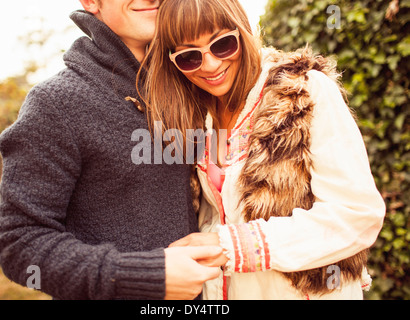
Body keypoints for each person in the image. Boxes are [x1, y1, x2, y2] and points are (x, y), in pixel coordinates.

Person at [140, 0, 386, 299]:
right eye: (190, 57)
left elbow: (357, 214)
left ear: (242, 31)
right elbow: (219, 214)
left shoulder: (304, 92)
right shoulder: (194, 114)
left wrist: (234, 246)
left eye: (222, 45)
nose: (210, 65)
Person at [0, 0, 223, 300]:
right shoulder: (57, 103)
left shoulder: (194, 85)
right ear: (90, 2)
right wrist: (143, 276)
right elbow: (19, 245)